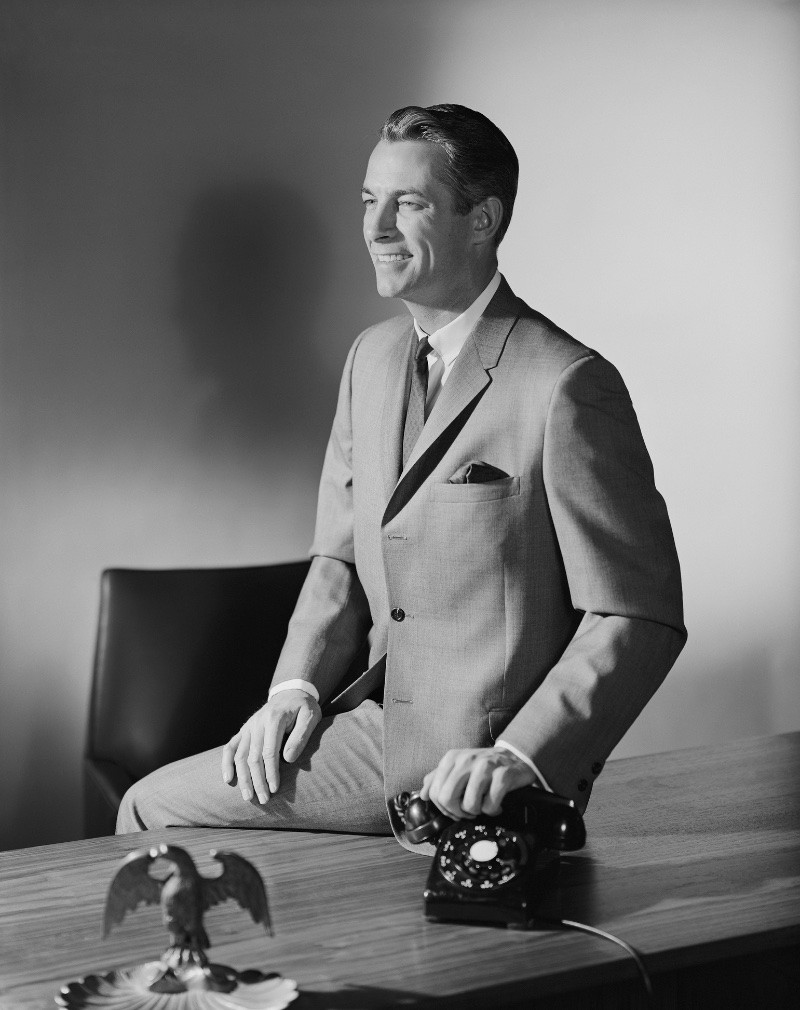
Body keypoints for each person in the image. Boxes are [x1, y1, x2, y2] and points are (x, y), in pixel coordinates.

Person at [117, 104, 685, 847]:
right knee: (150, 806)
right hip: (370, 728)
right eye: (367, 201)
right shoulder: (371, 360)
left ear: (482, 220)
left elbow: (636, 614)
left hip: (473, 760)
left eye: (408, 203)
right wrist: (294, 690)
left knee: (148, 811)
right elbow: (340, 555)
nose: (376, 228)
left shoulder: (567, 383)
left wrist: (522, 756)